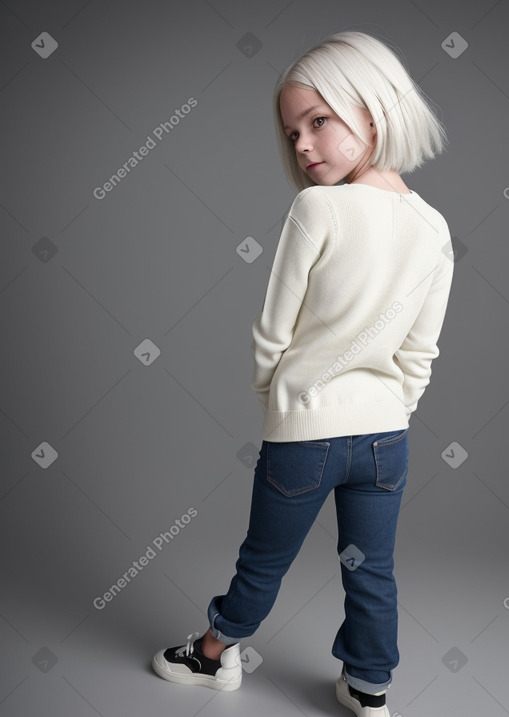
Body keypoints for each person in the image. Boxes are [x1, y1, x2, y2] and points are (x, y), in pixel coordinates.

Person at [152, 30, 454, 717]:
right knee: (373, 568)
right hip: (387, 439)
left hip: (304, 434)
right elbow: (419, 354)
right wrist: (390, 408)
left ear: (373, 111)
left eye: (319, 121)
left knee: (264, 560)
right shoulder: (434, 227)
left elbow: (273, 332)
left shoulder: (318, 209)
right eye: (292, 133)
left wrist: (283, 404)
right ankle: (370, 687)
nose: (303, 146)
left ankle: (212, 654)